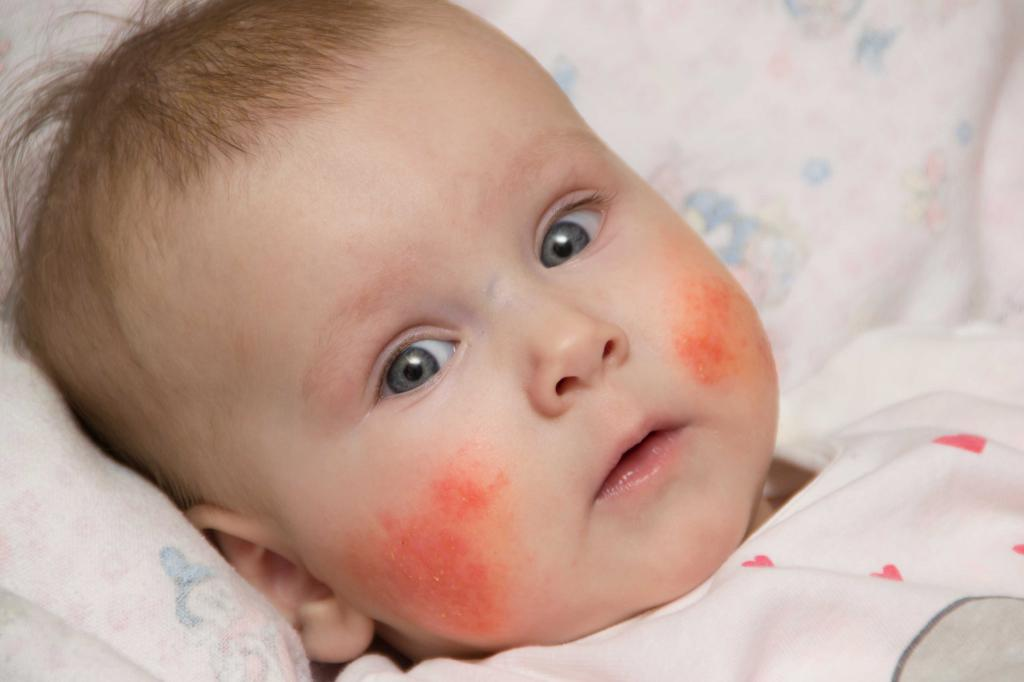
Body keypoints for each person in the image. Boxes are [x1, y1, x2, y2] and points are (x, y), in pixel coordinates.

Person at [2, 0, 798, 665]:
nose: (570, 342)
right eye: (415, 365)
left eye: (567, 237)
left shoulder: (873, 432)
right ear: (295, 577)